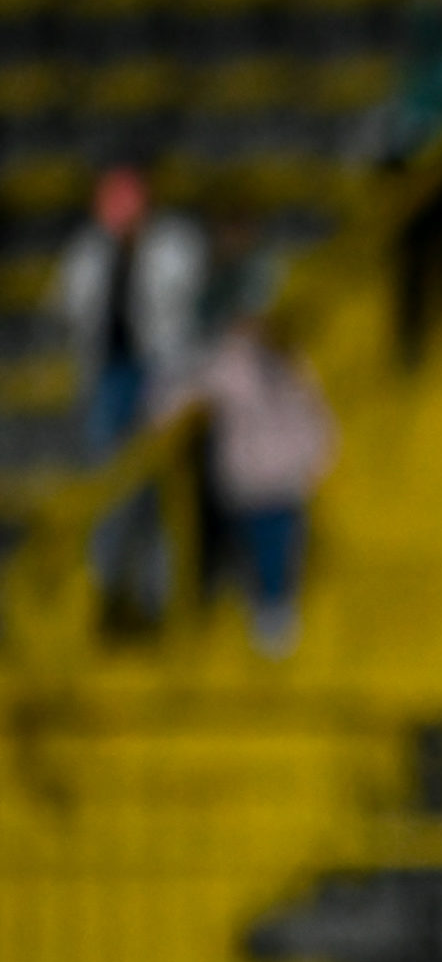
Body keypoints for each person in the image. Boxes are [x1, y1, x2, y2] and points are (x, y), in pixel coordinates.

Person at [192, 307, 337, 656]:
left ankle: (276, 613)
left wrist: (316, 461)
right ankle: (263, 613)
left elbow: (315, 416)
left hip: (283, 479)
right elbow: (191, 393)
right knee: (255, 549)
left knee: (284, 548)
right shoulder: (230, 364)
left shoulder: (292, 364)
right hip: (252, 478)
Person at [53, 166, 205, 457]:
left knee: (160, 451)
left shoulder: (174, 240)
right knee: (106, 450)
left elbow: (191, 294)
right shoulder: (90, 248)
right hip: (109, 361)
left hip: (160, 362)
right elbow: (68, 301)